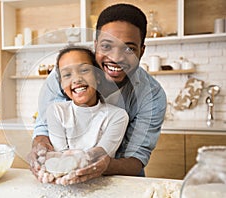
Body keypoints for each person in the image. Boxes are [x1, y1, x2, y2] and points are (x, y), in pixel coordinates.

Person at [28, 3, 167, 185]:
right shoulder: (63, 76)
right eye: (107, 46)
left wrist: (103, 164)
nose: (116, 58)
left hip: (122, 183)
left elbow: (136, 159)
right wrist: (40, 148)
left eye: (129, 49)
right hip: (64, 183)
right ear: (95, 46)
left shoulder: (152, 96)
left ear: (142, 50)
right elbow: (44, 130)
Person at [38, 46, 129, 184]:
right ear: (61, 84)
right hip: (64, 185)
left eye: (84, 70)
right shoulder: (56, 111)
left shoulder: (117, 116)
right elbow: (61, 157)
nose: (76, 79)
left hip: (102, 185)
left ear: (98, 76)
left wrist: (70, 161)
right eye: (67, 75)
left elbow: (101, 154)